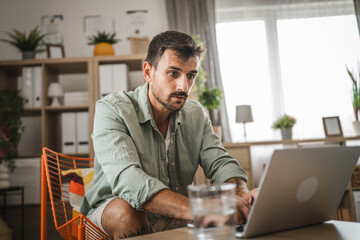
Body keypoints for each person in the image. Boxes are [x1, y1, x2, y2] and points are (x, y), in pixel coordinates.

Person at [80, 30, 257, 239]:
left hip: (172, 215)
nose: (184, 86)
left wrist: (241, 196)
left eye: (191, 75)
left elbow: (220, 163)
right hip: (108, 215)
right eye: (173, 73)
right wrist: (204, 207)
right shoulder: (112, 110)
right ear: (148, 72)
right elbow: (129, 181)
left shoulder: (196, 114)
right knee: (125, 213)